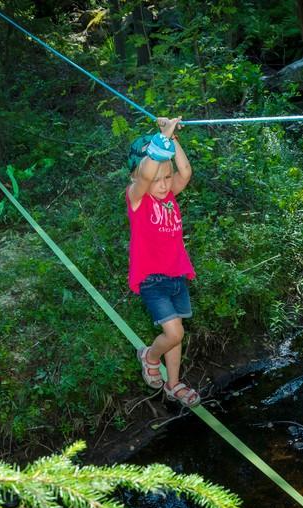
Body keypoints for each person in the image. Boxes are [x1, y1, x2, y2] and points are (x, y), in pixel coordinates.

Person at [126, 115, 201, 407]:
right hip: (152, 279)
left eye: (166, 178)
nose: (162, 184)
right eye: (157, 179)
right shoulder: (137, 199)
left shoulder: (169, 195)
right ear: (135, 176)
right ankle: (149, 356)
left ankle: (173, 384)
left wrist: (172, 139)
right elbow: (147, 175)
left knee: (176, 336)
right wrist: (162, 139)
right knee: (174, 332)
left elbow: (185, 170)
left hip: (176, 276)